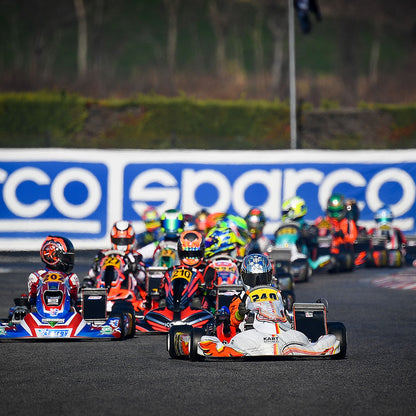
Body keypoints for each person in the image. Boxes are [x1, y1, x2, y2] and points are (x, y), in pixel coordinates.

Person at [159, 230, 218, 312]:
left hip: (201, 311)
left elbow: (213, 294)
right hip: (172, 309)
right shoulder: (172, 270)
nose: (190, 257)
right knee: (161, 302)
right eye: (187, 254)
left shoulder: (209, 271)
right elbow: (161, 291)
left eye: (194, 254)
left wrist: (203, 288)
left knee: (198, 302)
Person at [228, 253, 288, 330]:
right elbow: (233, 321)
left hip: (279, 329)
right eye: (252, 278)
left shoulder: (278, 294)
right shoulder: (240, 298)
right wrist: (240, 314)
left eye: (262, 278)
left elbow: (286, 314)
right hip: (253, 333)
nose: (258, 283)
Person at [88, 220, 147, 297]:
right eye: (118, 240)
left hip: (127, 292)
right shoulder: (103, 254)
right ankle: (102, 293)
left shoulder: (135, 256)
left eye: (125, 240)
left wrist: (135, 268)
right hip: (102, 289)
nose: (121, 243)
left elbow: (143, 277)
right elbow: (91, 274)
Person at [28, 235, 79, 306]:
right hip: (40, 313)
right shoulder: (36, 277)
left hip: (66, 313)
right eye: (66, 258)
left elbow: (75, 302)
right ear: (52, 256)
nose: (69, 261)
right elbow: (31, 302)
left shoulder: (71, 277)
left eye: (69, 258)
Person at [276, 196, 319, 261]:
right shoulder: (281, 228)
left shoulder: (306, 226)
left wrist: (306, 234)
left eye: (286, 212)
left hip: (303, 257)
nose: (284, 215)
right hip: (282, 252)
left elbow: (314, 239)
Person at [325, 193, 358, 271]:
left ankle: (335, 262)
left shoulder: (348, 221)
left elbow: (352, 238)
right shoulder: (325, 221)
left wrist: (342, 234)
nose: (335, 215)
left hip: (341, 250)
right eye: (332, 211)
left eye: (338, 211)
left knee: (347, 257)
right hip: (326, 250)